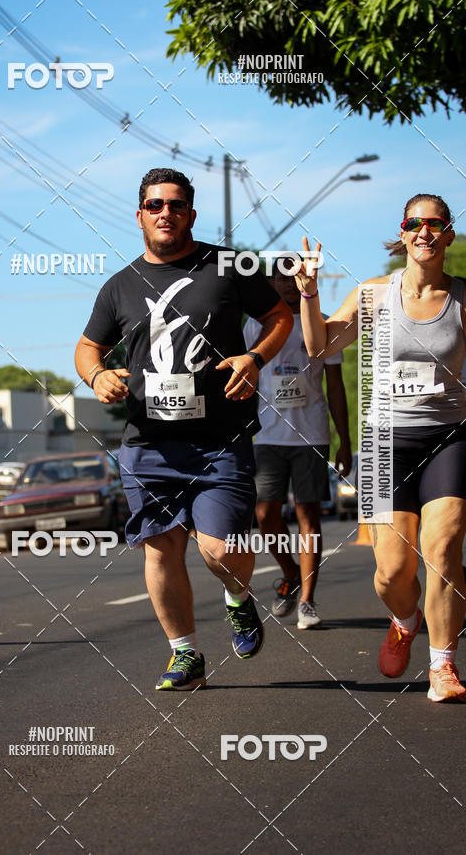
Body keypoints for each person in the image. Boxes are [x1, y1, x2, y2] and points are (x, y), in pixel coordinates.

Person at [75, 167, 293, 690]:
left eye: (175, 205)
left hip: (220, 439)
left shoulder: (230, 265)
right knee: (160, 546)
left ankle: (238, 597)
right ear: (140, 215)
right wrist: (97, 375)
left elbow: (280, 316)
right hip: (147, 442)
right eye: (155, 205)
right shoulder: (119, 286)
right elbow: (87, 348)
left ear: (191, 214)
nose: (165, 213)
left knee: (220, 549)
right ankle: (185, 654)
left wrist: (255, 358)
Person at [297, 193, 466, 702]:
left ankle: (443, 665)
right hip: (385, 442)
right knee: (393, 572)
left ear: (448, 234)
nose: (424, 231)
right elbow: (321, 346)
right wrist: (309, 294)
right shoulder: (373, 294)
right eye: (415, 222)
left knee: (443, 550)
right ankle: (404, 620)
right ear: (404, 232)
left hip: (449, 436)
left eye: (435, 223)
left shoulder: (462, 298)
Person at [243, 258, 352, 629]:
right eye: (282, 278)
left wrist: (344, 440)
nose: (290, 284)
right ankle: (290, 572)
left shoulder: (321, 324)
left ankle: (307, 600)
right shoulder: (255, 326)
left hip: (312, 436)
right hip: (267, 436)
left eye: (296, 277)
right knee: (265, 514)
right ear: (272, 283)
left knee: (308, 515)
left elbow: (335, 386)